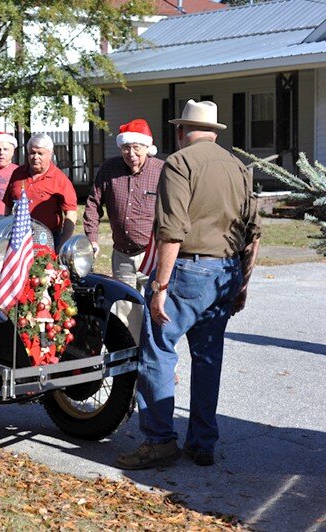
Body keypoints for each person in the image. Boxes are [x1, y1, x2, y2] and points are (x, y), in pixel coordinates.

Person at [116, 100, 261, 470]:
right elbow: (253, 234)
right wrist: (241, 284)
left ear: (182, 131)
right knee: (208, 358)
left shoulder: (179, 163)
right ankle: (202, 443)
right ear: (214, 132)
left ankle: (160, 441)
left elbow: (171, 231)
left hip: (187, 270)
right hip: (226, 270)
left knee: (157, 353)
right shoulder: (239, 168)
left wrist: (160, 286)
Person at [83, 118, 163, 343]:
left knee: (158, 309)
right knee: (126, 312)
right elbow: (92, 204)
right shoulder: (109, 170)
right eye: (126, 148)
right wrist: (93, 239)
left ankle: (161, 362)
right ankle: (133, 360)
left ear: (147, 147)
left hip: (153, 255)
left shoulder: (162, 171)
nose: (131, 154)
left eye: (136, 148)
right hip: (122, 256)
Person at [3, 133, 77, 250]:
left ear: (50, 154)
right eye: (32, 153)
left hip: (48, 238)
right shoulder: (17, 174)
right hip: (18, 237)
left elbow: (71, 213)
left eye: (40, 153)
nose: (35, 157)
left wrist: (62, 243)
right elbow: (8, 205)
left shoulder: (60, 179)